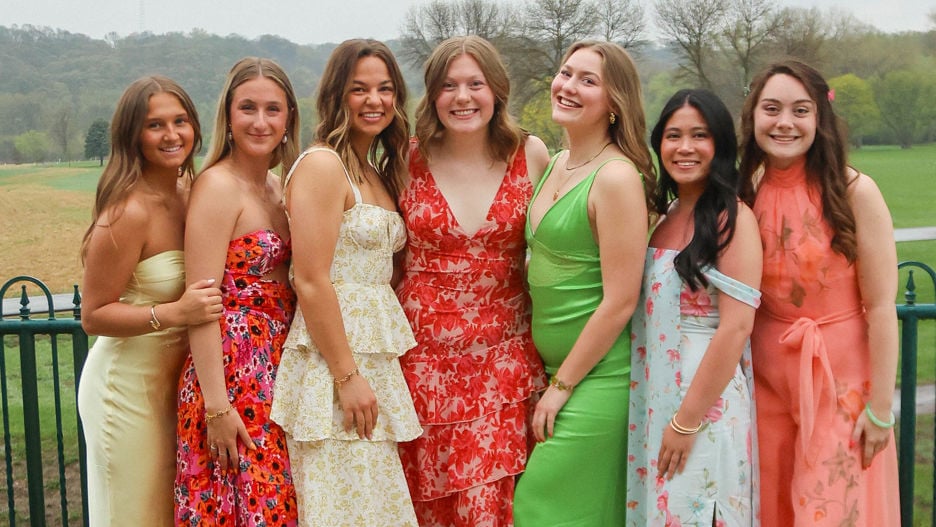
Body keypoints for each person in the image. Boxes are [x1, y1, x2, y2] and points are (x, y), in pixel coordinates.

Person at [395, 35, 550, 526]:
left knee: (491, 505)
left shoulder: (531, 154)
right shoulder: (405, 159)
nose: (462, 97)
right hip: (422, 365)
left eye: (475, 84)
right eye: (449, 86)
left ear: (497, 90)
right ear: (432, 95)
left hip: (504, 362)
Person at [739, 60, 900, 526]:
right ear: (753, 116)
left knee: (833, 508)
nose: (784, 122)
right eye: (772, 108)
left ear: (819, 118)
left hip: (842, 387)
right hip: (765, 387)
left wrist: (881, 409)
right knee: (773, 504)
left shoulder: (855, 192)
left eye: (800, 110)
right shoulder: (744, 192)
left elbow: (881, 306)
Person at [269, 39, 423, 526]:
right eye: (359, 89)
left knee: (373, 504)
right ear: (336, 95)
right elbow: (311, 279)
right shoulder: (322, 165)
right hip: (332, 363)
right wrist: (346, 376)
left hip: (372, 357)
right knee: (340, 504)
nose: (374, 100)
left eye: (385, 88)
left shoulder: (375, 170)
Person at [512, 40, 656, 526]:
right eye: (566, 73)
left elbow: (620, 301)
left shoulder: (616, 178)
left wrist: (562, 386)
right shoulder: (556, 163)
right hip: (551, 372)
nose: (568, 86)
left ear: (614, 103)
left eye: (587, 80)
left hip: (599, 378)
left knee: (536, 506)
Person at [78, 75, 222, 526]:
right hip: (126, 390)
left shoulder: (193, 195)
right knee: (133, 513)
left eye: (180, 121)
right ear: (133, 135)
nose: (171, 134)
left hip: (177, 389)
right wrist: (175, 313)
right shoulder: (128, 212)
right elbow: (93, 315)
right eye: (155, 125)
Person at [627, 89, 762, 526]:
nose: (685, 147)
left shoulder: (732, 218)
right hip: (655, 393)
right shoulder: (663, 216)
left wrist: (687, 422)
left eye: (699, 135)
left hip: (705, 403)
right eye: (673, 135)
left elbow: (736, 328)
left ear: (719, 144)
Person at [175, 57, 300, 526]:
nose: (260, 122)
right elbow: (201, 305)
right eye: (248, 108)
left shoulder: (278, 187)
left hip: (279, 365)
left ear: (289, 118)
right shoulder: (217, 186)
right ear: (228, 114)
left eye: (273, 109)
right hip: (231, 373)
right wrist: (216, 408)